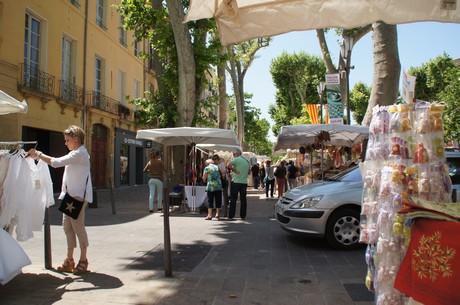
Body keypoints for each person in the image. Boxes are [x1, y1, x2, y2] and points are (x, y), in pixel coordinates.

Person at [27, 125, 93, 275]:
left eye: (67, 140)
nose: (65, 143)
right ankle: (69, 260)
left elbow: (56, 163)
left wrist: (38, 154)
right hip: (70, 196)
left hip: (77, 196)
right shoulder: (77, 152)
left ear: (76, 139)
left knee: (78, 227)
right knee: (67, 227)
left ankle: (83, 259)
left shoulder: (80, 154)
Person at [227, 148, 250, 220]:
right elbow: (249, 172)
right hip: (244, 182)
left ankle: (231, 215)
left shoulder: (236, 159)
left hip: (236, 181)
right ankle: (243, 215)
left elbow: (228, 165)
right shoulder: (247, 161)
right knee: (243, 199)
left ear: (236, 154)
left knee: (233, 199)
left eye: (234, 154)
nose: (233, 156)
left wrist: (234, 170)